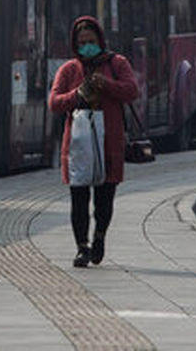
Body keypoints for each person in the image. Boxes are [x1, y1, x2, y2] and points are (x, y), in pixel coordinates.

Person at [48, 15, 139, 268]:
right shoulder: (69, 70)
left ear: (100, 40)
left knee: (104, 199)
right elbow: (54, 102)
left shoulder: (117, 63)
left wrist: (106, 85)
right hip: (77, 147)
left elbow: (132, 90)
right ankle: (82, 247)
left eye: (91, 41)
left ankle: (99, 237)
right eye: (82, 43)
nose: (87, 46)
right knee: (78, 199)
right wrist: (76, 95)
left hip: (109, 144)